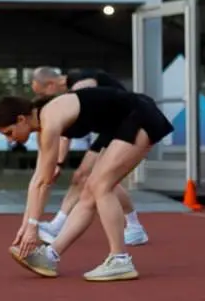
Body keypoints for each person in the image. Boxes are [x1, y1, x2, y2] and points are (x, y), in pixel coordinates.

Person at [0, 86, 173, 282]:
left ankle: (120, 259)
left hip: (139, 116)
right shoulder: (45, 124)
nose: (10, 140)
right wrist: (26, 225)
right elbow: (37, 180)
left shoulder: (50, 120)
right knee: (88, 191)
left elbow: (44, 183)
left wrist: (33, 226)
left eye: (9, 133)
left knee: (100, 186)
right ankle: (50, 256)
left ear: (21, 119)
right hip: (119, 124)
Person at [28, 66, 149, 247]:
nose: (46, 100)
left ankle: (132, 229)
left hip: (126, 125)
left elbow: (67, 128)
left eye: (43, 93)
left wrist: (58, 162)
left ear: (51, 85)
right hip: (110, 128)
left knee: (98, 180)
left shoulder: (83, 81)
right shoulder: (72, 88)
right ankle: (58, 225)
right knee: (84, 177)